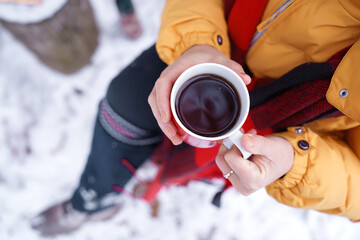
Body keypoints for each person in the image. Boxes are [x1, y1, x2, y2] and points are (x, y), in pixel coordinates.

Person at [32, 0, 360, 235]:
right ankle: (92, 200)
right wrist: (196, 40)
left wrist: (297, 161)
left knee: (195, 161)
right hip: (210, 47)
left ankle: (153, 177)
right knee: (123, 106)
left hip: (290, 129)